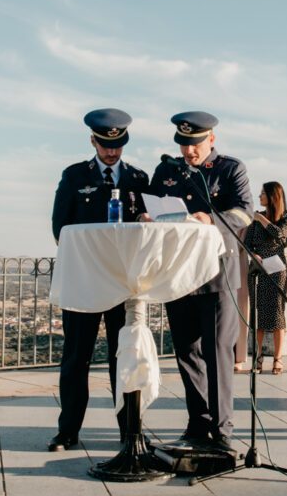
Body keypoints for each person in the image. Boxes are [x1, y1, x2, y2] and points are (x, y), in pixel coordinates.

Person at [148, 111, 253, 453]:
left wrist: (210, 218)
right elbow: (151, 204)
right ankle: (198, 424)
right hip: (177, 273)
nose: (189, 151)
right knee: (187, 352)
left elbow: (243, 212)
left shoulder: (230, 169)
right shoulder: (166, 170)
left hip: (215, 272)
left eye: (195, 144)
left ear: (211, 139)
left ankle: (222, 431)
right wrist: (145, 216)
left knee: (218, 350)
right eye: (183, 144)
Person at [48, 108, 149, 451]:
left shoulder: (137, 178)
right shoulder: (75, 176)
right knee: (77, 357)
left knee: (125, 358)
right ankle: (68, 431)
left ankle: (130, 432)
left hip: (123, 282)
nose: (112, 151)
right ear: (93, 141)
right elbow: (60, 228)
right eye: (106, 145)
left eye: (118, 145)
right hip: (86, 282)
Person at [243, 182, 287, 375]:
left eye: (263, 194)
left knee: (276, 314)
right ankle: (257, 358)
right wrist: (254, 255)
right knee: (257, 315)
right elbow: (247, 242)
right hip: (257, 270)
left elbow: (280, 234)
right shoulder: (256, 217)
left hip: (277, 270)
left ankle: (278, 358)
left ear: (273, 196)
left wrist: (261, 219)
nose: (259, 197)